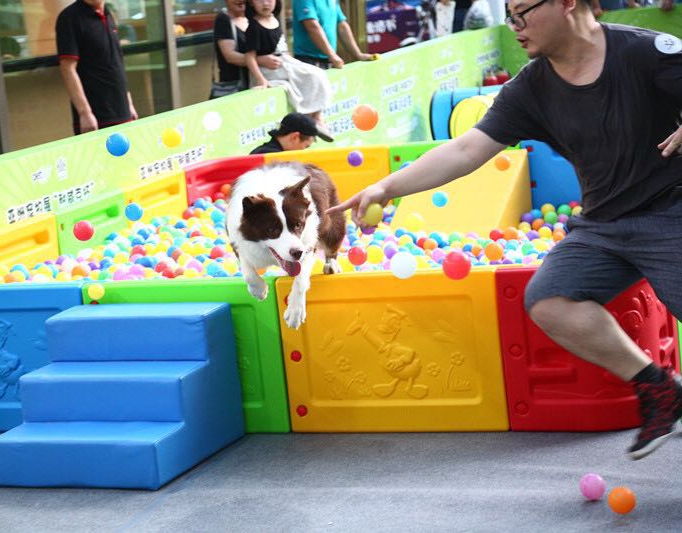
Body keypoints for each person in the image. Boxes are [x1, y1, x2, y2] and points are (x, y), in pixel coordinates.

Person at [330, 0, 682, 460]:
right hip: (602, 226)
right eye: (509, 16)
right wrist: (386, 187)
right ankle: (659, 388)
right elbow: (466, 150)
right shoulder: (531, 87)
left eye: (520, 13)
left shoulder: (645, 52)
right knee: (549, 300)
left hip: (669, 211)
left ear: (566, 4)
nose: (514, 26)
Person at [244, 0, 332, 138]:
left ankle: (316, 117)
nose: (265, 3)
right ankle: (310, 121)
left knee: (317, 74)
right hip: (270, 71)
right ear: (251, 3)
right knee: (301, 82)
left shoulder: (275, 19)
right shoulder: (253, 27)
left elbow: (283, 49)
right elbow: (249, 57)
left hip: (285, 64)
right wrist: (261, 80)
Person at [56, 0, 138, 135]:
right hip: (96, 118)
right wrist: (85, 113)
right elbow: (68, 69)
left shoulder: (108, 14)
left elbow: (116, 62)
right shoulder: (69, 17)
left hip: (122, 110)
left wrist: (128, 102)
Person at [292, 0, 374, 69]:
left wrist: (358, 54)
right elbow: (312, 26)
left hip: (329, 61)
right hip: (308, 61)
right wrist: (332, 55)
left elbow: (342, 26)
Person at [249, 112, 333, 154]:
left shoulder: (260, 153)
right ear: (295, 137)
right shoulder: (278, 161)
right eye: (306, 146)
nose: (304, 151)